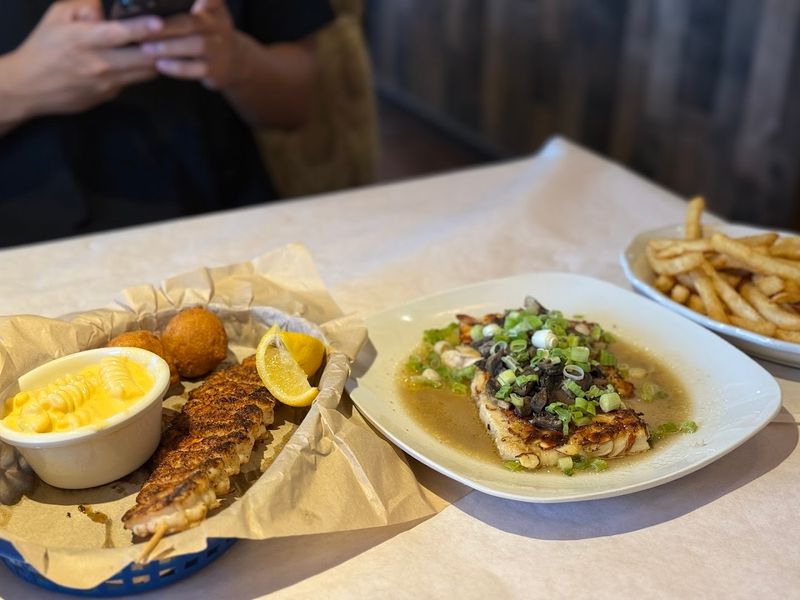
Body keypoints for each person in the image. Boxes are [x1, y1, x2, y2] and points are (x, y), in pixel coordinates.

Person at [0, 0, 334, 246]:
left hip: (217, 223)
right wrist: (19, 84)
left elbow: (299, 104)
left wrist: (238, 62)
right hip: (24, 240)